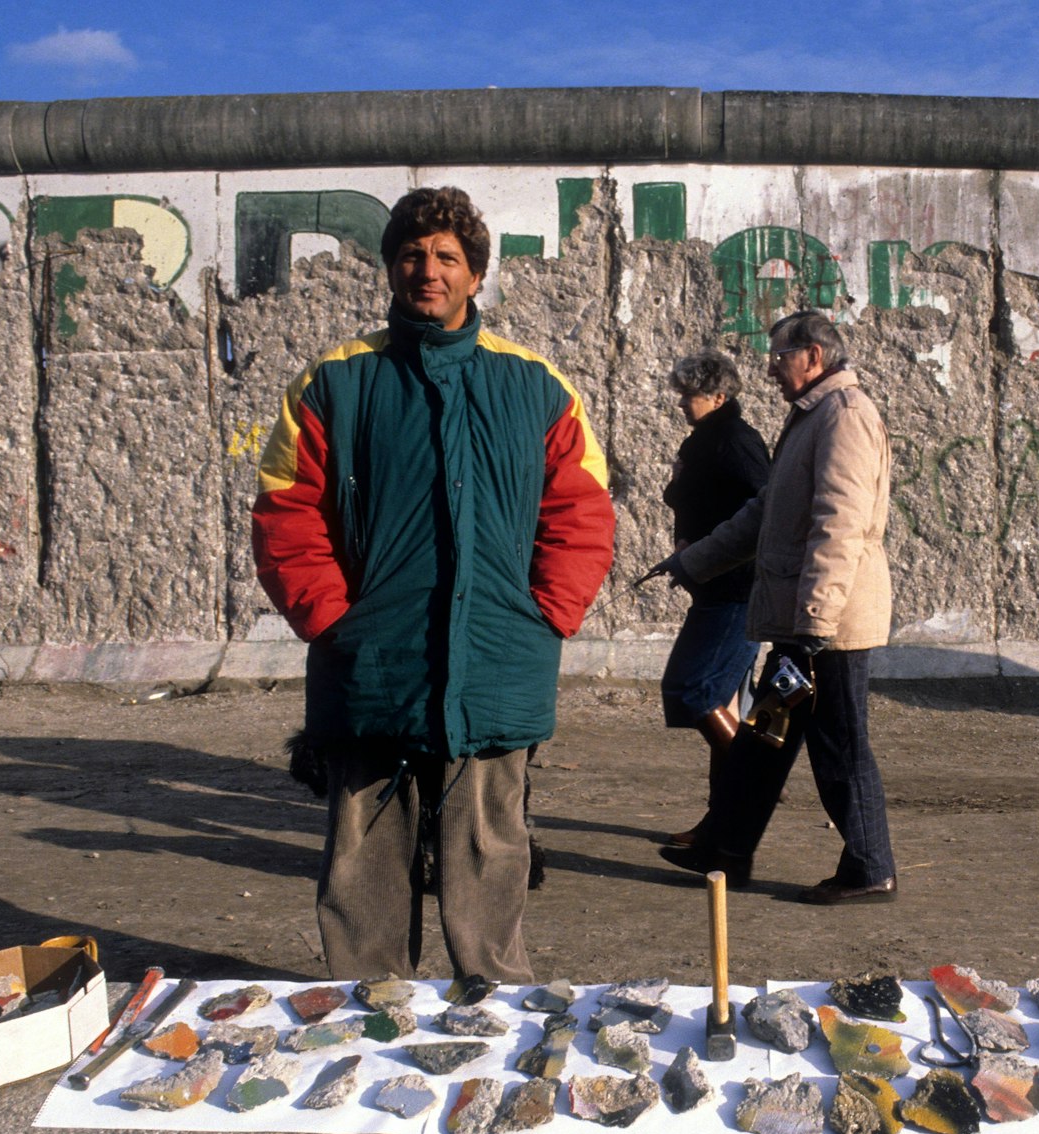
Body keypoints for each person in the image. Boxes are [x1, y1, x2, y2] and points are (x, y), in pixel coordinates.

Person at [251, 186, 614, 980]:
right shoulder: (338, 382)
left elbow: (581, 512)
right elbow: (287, 512)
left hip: (495, 659)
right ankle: (367, 1010)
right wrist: (333, 619)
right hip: (370, 664)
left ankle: (498, 1011)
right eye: (413, 254)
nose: (429, 269)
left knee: (490, 849)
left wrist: (543, 616)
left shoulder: (536, 386)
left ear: (475, 274)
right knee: (364, 857)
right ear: (389, 267)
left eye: (447, 256)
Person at [649, 310, 897, 904]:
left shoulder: (844, 417)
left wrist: (813, 622)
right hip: (804, 621)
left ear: (813, 356)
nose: (768, 367)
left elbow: (839, 527)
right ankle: (727, 851)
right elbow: (764, 513)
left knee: (839, 745)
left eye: (779, 355)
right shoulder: (812, 418)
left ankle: (870, 869)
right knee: (765, 740)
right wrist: (692, 562)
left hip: (828, 626)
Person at [656, 351, 771, 847]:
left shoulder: (735, 442)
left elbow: (764, 508)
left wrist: (706, 551)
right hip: (714, 587)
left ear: (719, 396)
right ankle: (721, 824)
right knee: (719, 699)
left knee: (693, 690)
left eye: (690, 394)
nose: (682, 402)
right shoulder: (707, 438)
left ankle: (752, 785)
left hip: (735, 590)